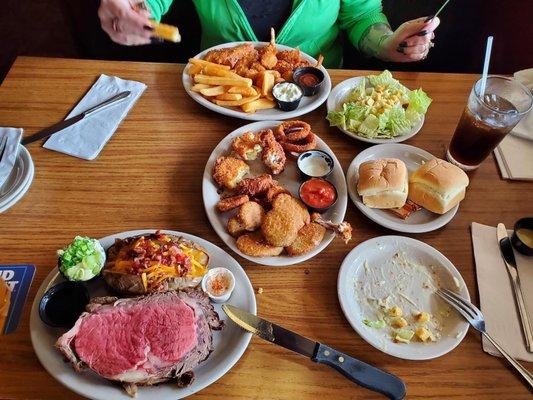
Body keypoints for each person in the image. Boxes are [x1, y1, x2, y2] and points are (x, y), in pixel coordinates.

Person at [98, 0, 440, 68]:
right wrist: (133, 11)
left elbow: (362, 16)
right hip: (217, 96)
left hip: (316, 99)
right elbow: (147, 4)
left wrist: (388, 43)